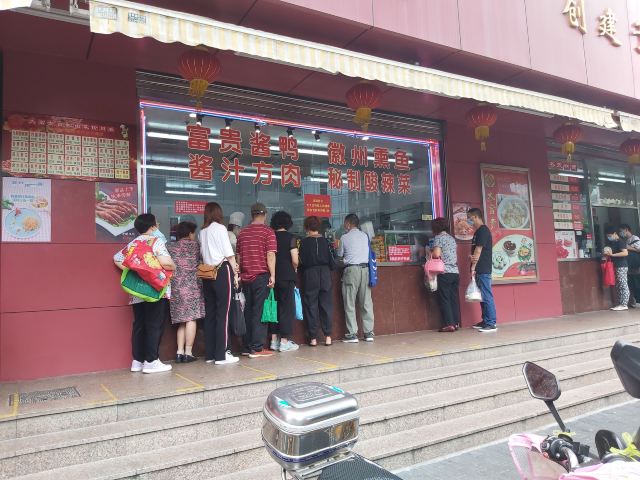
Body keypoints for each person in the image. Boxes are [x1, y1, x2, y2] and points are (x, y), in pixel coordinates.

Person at [113, 213, 176, 374]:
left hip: (137, 292)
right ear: (153, 226)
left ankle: (137, 361)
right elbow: (166, 263)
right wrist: (173, 266)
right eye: (156, 224)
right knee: (154, 325)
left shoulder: (133, 243)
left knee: (139, 325)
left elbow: (117, 258)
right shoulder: (156, 241)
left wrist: (136, 271)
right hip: (155, 291)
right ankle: (151, 361)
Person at [199, 202, 240, 365]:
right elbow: (229, 254)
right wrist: (235, 273)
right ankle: (222, 354)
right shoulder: (220, 228)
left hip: (207, 273)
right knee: (224, 313)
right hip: (221, 271)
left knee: (210, 314)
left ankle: (210, 354)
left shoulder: (202, 231)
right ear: (218, 213)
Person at [237, 203, 277, 358]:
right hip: (261, 277)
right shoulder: (268, 232)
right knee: (259, 312)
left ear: (251, 215)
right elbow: (270, 255)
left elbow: (238, 257)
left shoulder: (242, 233)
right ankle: (257, 348)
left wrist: (239, 274)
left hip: (246, 277)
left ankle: (247, 346)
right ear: (265, 214)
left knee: (247, 311)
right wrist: (272, 275)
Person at [167, 221, 204, 363]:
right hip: (192, 287)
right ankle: (188, 352)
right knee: (191, 319)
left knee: (182, 321)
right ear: (189, 233)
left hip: (176, 287)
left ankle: (179, 352)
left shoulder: (170, 246)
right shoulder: (196, 246)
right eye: (194, 233)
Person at [337, 214, 375, 343]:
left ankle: (352, 334)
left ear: (348, 224)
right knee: (366, 302)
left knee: (350, 302)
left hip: (351, 271)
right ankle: (368, 333)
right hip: (365, 270)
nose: (344, 225)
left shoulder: (344, 237)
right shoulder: (365, 236)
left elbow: (339, 255)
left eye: (344, 223)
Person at [299, 216, 333, 346]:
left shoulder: (304, 242)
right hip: (325, 274)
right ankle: (328, 336)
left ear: (306, 227)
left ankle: (313, 338)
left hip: (310, 274)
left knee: (311, 305)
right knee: (326, 305)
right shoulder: (326, 241)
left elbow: (301, 261)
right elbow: (332, 261)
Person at [269, 211, 300, 353]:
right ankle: (284, 342)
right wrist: (294, 268)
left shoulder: (270, 236)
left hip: (272, 276)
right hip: (287, 276)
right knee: (286, 309)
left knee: (273, 307)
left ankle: (273, 341)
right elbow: (295, 260)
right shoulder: (291, 237)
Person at [468, 208, 497, 333]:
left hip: (483, 268)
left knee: (486, 295)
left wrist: (473, 267)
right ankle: (485, 320)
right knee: (482, 296)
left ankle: (491, 323)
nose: (469, 221)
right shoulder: (478, 232)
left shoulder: (483, 231)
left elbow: (478, 250)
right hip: (479, 268)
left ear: (475, 217)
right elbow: (476, 251)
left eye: (469, 218)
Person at [430, 217, 460, 332]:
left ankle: (449, 324)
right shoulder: (451, 238)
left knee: (445, 299)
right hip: (455, 272)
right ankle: (456, 323)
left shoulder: (438, 238)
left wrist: (429, 252)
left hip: (445, 272)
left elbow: (437, 254)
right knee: (453, 298)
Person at [604, 226, 629, 311]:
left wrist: (613, 255)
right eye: (608, 236)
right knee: (618, 285)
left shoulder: (620, 241)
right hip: (616, 265)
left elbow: (625, 253)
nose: (609, 237)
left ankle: (624, 304)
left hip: (621, 265)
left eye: (610, 235)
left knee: (623, 284)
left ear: (615, 233)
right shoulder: (613, 242)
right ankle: (620, 303)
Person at [619, 224, 640, 306]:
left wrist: (628, 247)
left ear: (626, 229)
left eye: (621, 230)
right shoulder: (626, 240)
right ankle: (635, 301)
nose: (621, 232)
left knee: (637, 283)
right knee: (631, 283)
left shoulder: (635, 238)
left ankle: (638, 300)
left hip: (636, 265)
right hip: (630, 265)